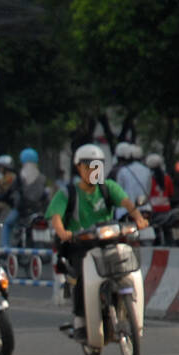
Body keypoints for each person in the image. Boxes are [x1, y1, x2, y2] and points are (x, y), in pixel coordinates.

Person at [47, 143, 149, 342]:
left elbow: (126, 203)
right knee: (83, 279)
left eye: (97, 166)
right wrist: (63, 232)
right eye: (88, 166)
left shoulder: (108, 187)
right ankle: (79, 321)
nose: (93, 170)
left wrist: (138, 217)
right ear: (79, 168)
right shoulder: (68, 192)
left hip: (107, 241)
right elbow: (56, 216)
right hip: (80, 246)